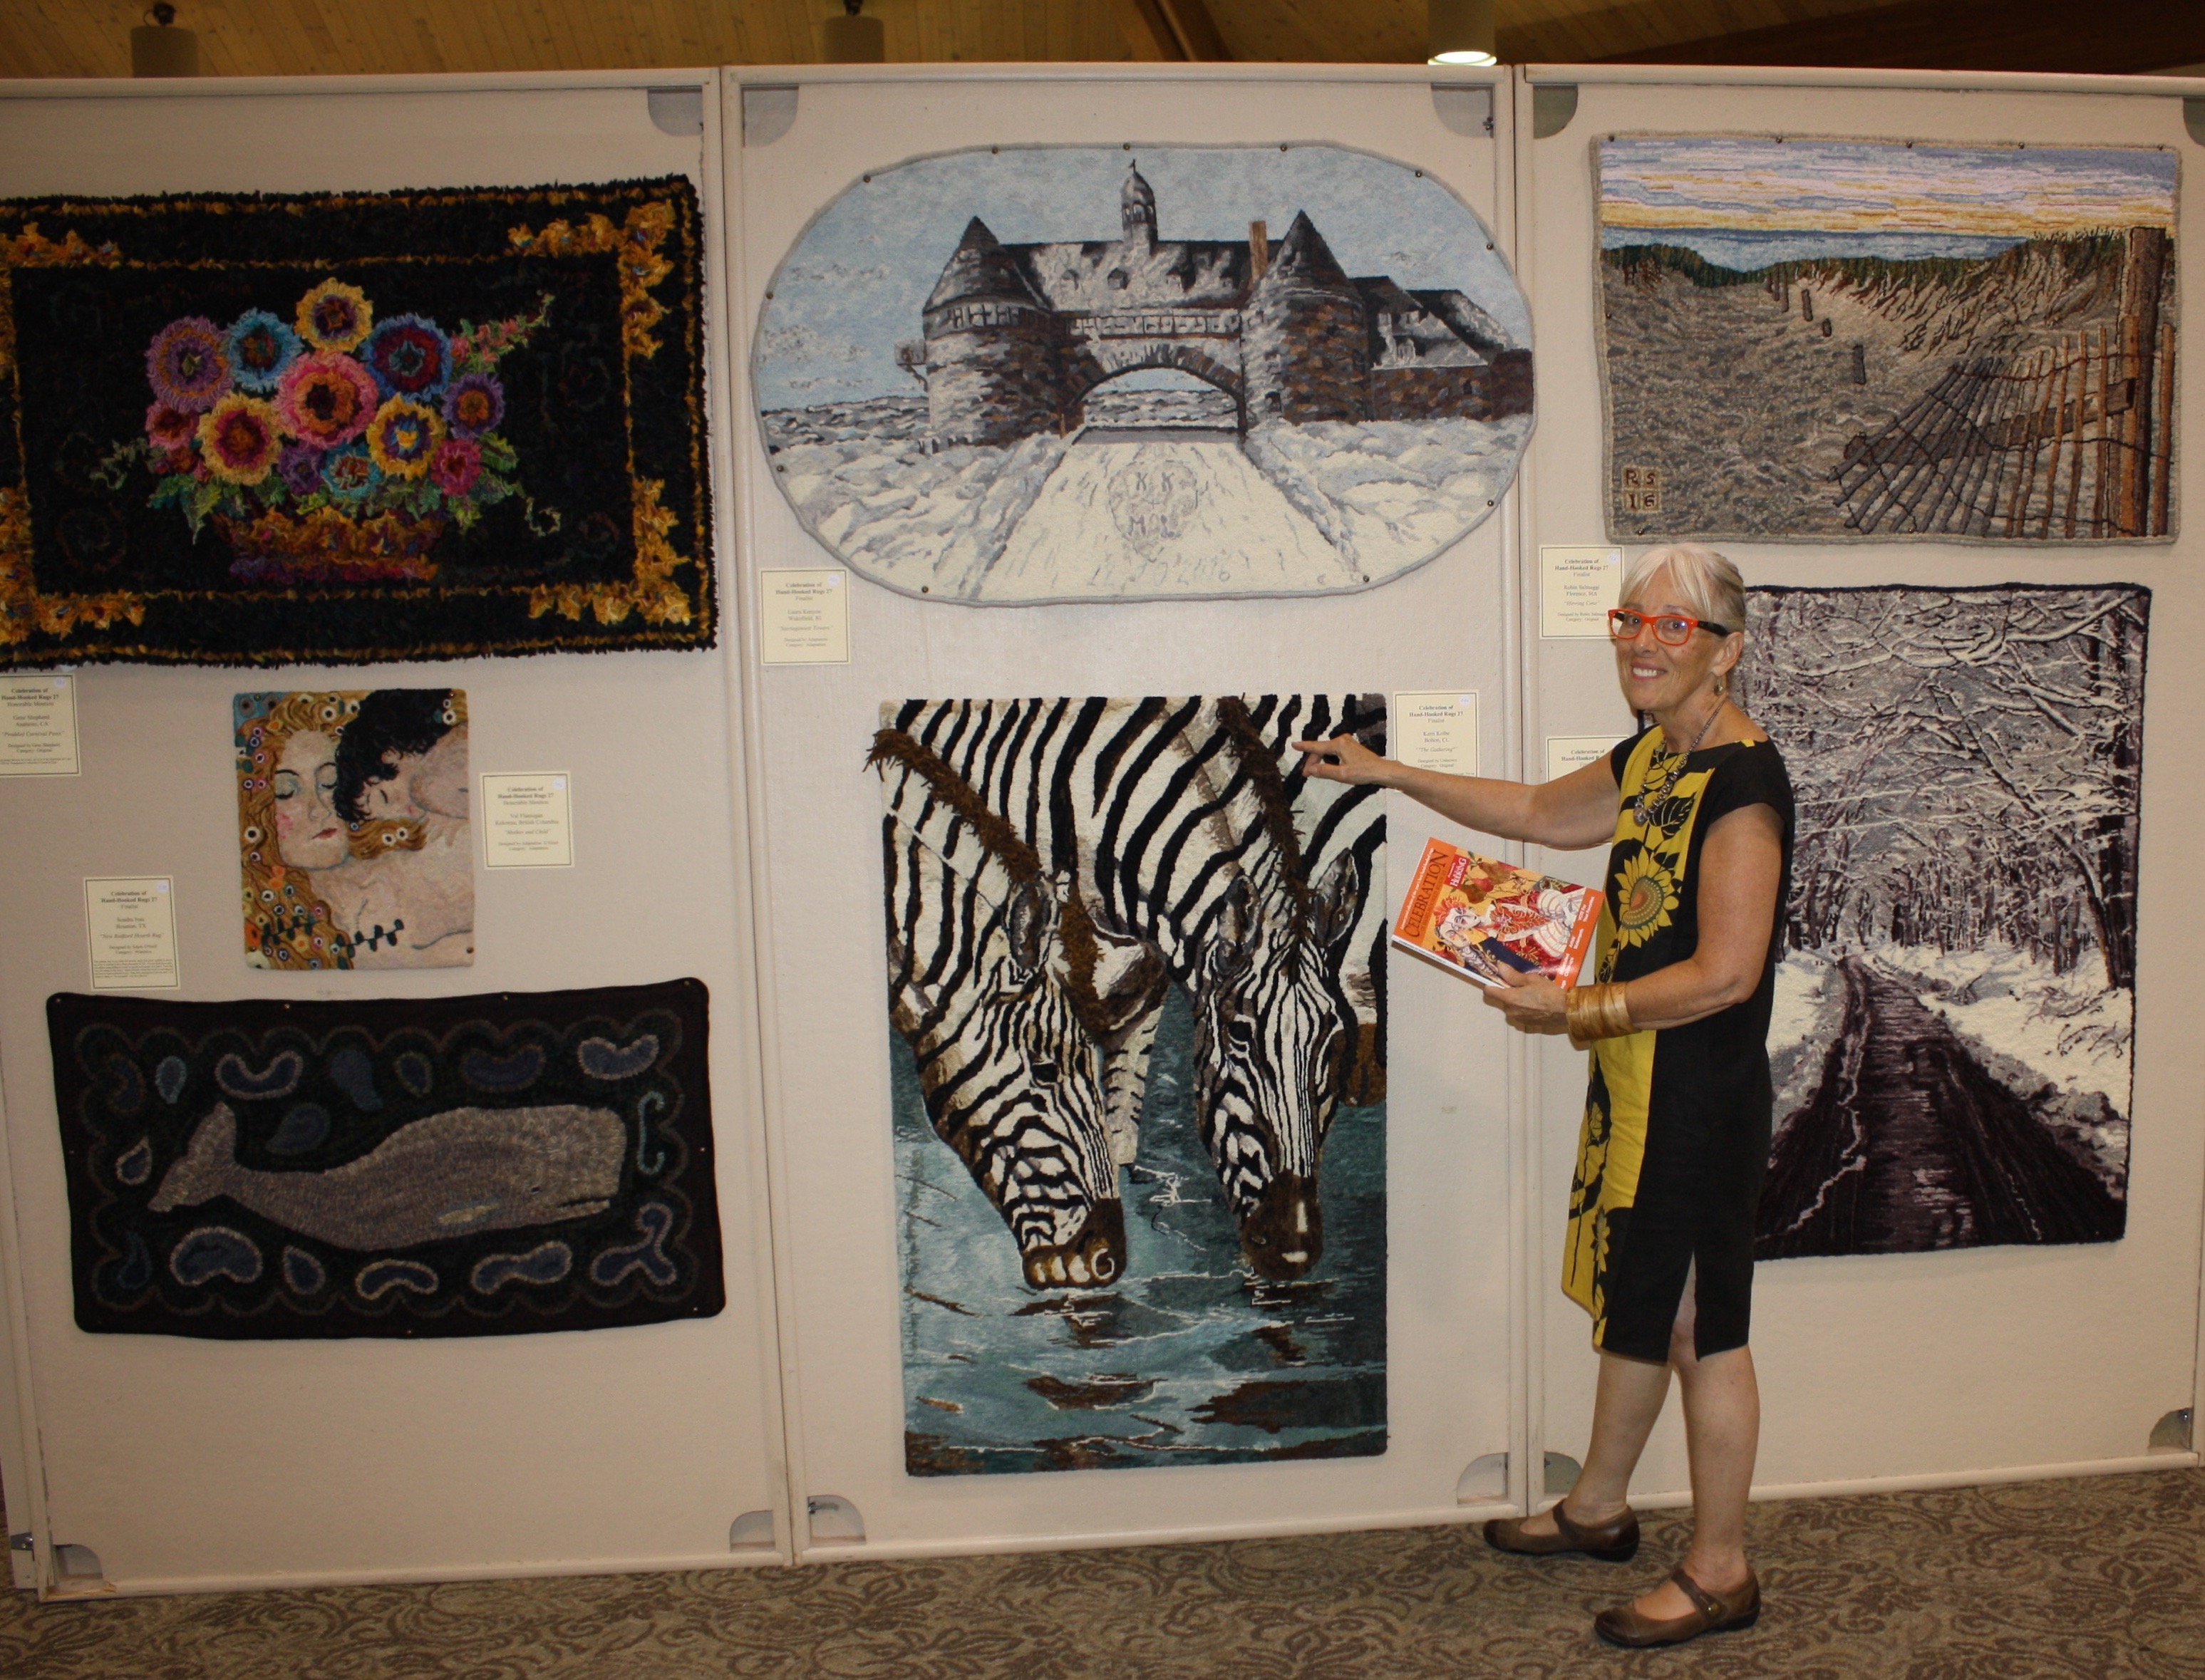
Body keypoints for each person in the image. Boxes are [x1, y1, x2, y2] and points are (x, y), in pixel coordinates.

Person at [1296, 543, 1793, 1649]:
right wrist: (1388, 773)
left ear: (1726, 650)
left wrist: (1578, 1007)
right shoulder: (1657, 754)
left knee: (1699, 1326)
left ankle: (1721, 1570)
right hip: (1637, 1086)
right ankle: (1598, 1508)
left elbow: (1726, 974)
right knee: (1640, 1302)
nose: (1642, 642)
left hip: (1697, 1099)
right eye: (1630, 620)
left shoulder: (1743, 784)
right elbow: (1531, 809)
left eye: (1673, 625)